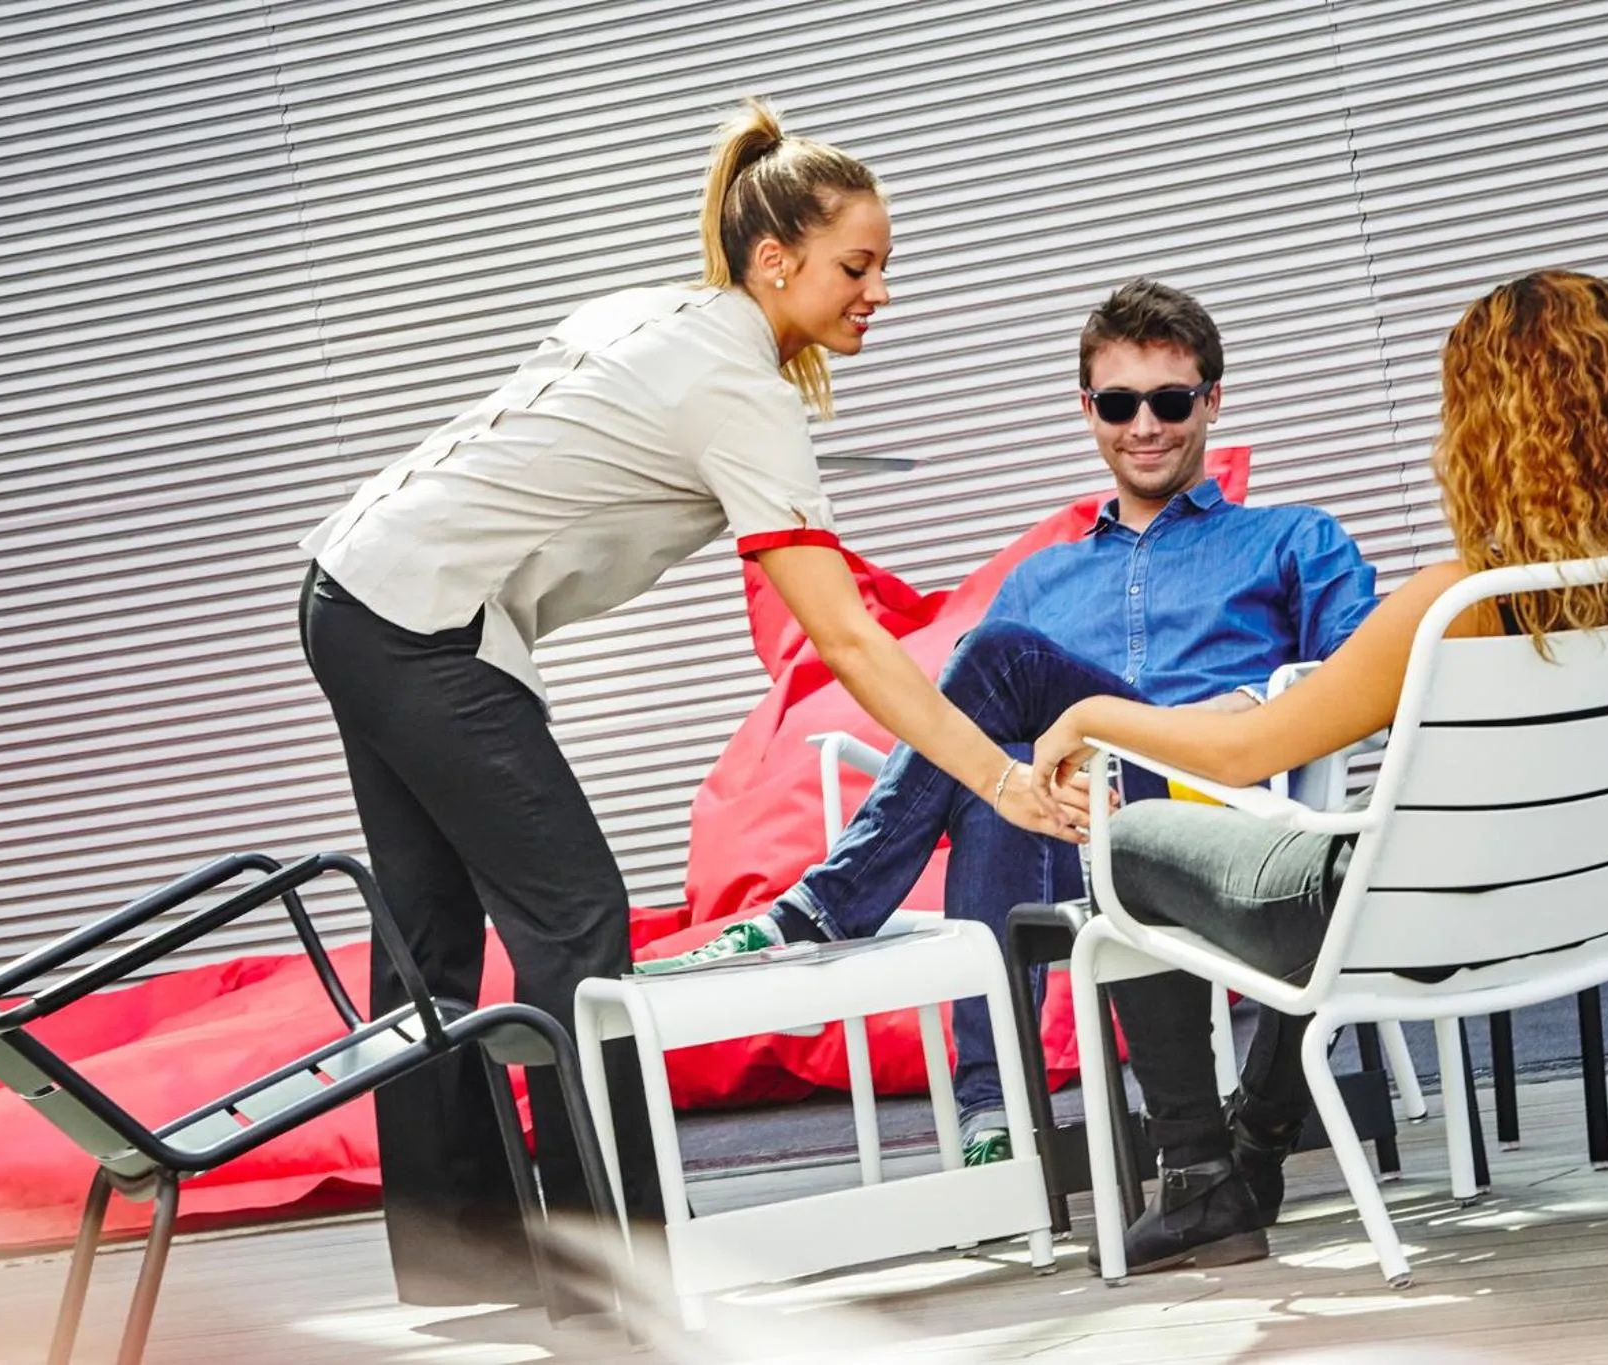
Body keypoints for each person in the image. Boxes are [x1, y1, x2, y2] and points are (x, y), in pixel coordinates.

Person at [295, 98, 1080, 1308]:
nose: (878, 292)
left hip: (351, 586)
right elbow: (850, 645)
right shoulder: (741, 391)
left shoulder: (656, 313)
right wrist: (1000, 780)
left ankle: (461, 1261)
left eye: (884, 268)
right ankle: (610, 1266)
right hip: (419, 624)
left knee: (429, 942)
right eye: (856, 267)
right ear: (777, 260)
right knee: (575, 923)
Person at [1030, 269, 1608, 1275]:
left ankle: (1202, 1176)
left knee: (1136, 839)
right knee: (1349, 872)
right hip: (1588, 900)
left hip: (1418, 915)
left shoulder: (1461, 600)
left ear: (1483, 430)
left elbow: (1253, 749)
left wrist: (1089, 713)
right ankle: (1250, 1148)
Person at [643, 279, 1378, 1167]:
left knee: (1002, 662)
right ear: (1088, 410)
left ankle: (829, 903)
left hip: (1218, 811)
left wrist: (1255, 705)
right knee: (994, 776)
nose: (1144, 425)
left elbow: (1359, 671)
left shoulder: (1295, 539)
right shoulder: (1043, 582)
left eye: (1170, 400)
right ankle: (999, 1109)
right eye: (1118, 402)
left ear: (1211, 401)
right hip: (1074, 825)